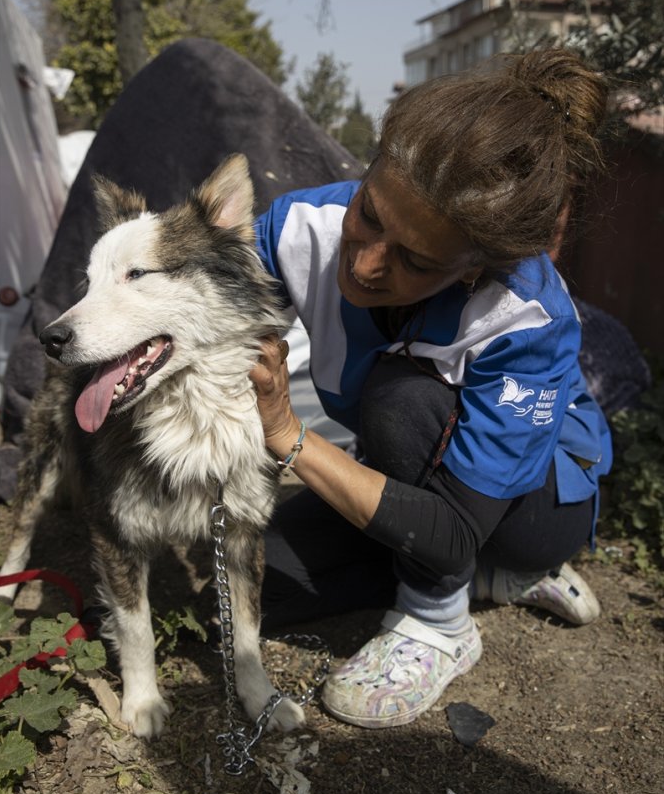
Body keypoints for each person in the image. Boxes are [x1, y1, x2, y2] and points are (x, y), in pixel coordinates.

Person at [250, 47, 613, 730]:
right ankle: (479, 582)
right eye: (369, 212)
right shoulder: (299, 228)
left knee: (400, 395)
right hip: (408, 472)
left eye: (415, 260)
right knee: (248, 573)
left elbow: (448, 528)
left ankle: (441, 621)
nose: (362, 262)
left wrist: (290, 439)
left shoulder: (525, 315)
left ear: (477, 268)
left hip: (533, 505)